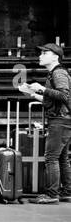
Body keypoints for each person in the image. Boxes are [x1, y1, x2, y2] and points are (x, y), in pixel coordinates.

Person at [22, 43, 71, 204]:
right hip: (63, 119)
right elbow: (54, 100)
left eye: (45, 53)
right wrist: (34, 94)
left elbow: (64, 96)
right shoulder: (55, 73)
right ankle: (66, 192)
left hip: (60, 120)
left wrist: (42, 89)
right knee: (62, 158)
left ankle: (52, 194)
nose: (40, 56)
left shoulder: (58, 73)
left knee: (51, 157)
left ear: (55, 56)